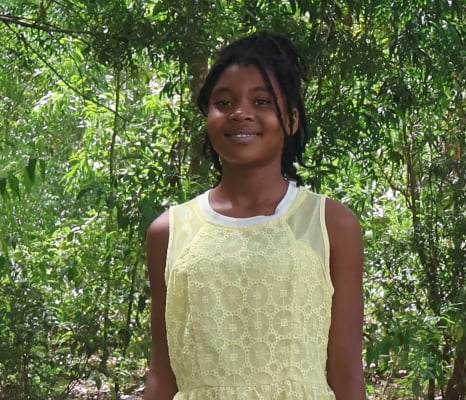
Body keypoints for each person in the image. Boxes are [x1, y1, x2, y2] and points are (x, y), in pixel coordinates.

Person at [144, 30, 366, 400]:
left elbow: (345, 370)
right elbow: (162, 371)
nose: (240, 113)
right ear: (208, 117)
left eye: (261, 101)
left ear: (291, 120)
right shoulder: (169, 232)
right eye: (224, 102)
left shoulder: (331, 224)